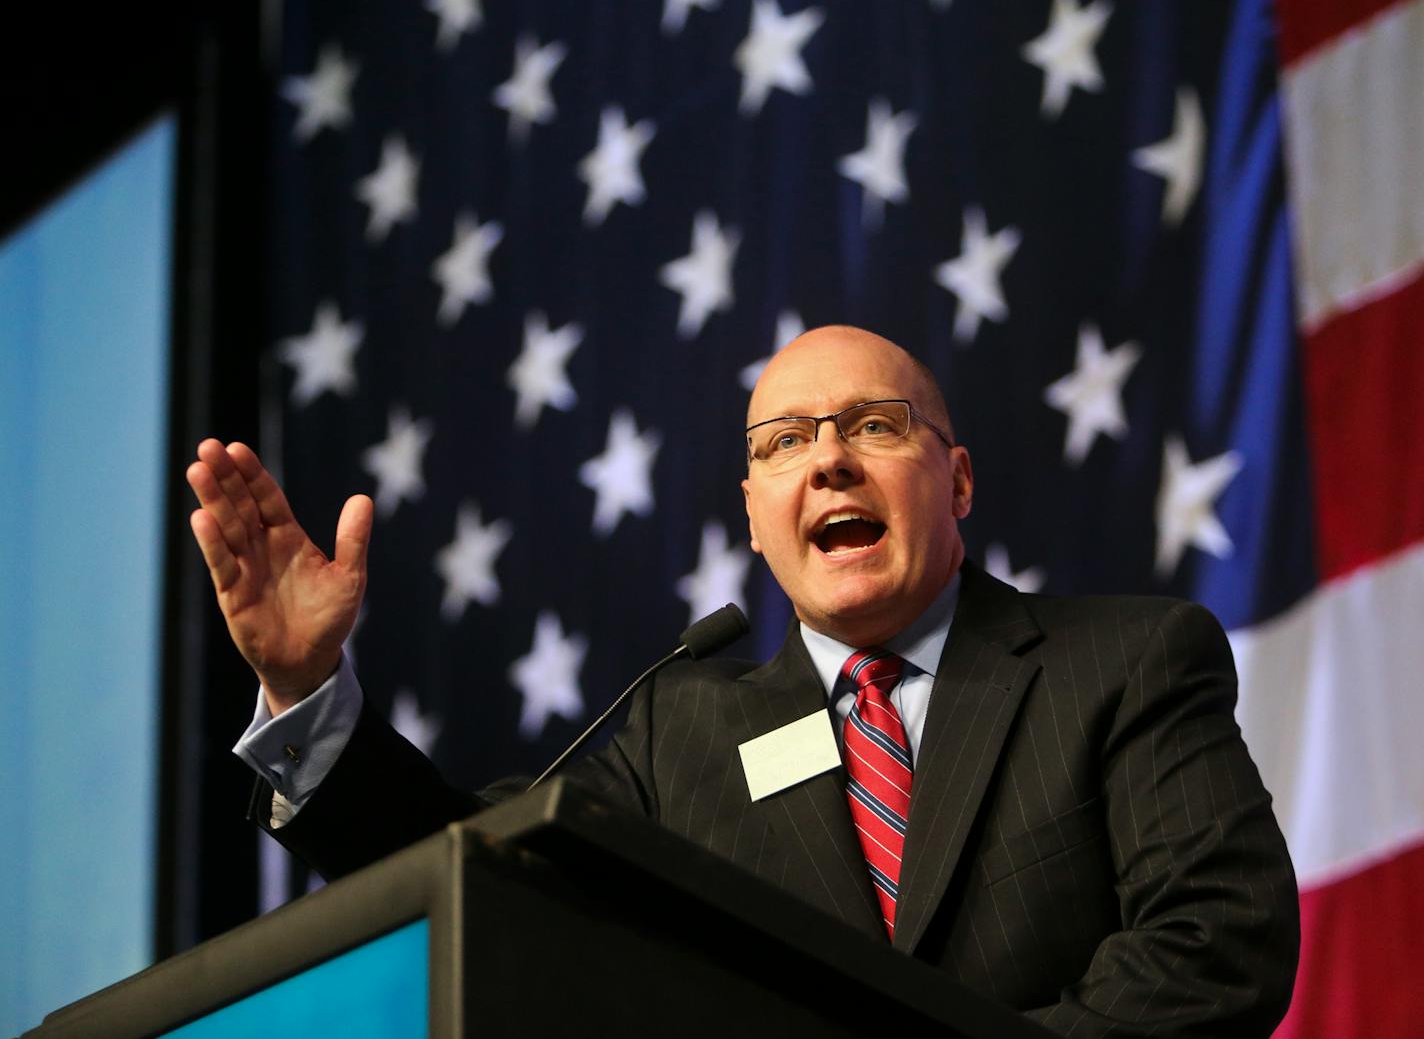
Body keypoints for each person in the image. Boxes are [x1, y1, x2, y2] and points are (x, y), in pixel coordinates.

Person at [187, 325, 1299, 1035]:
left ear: (955, 481)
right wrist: (309, 689)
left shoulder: (1125, 660)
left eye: (873, 424)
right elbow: (479, 876)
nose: (826, 459)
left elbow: (1213, 945)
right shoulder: (682, 731)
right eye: (783, 443)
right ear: (756, 519)